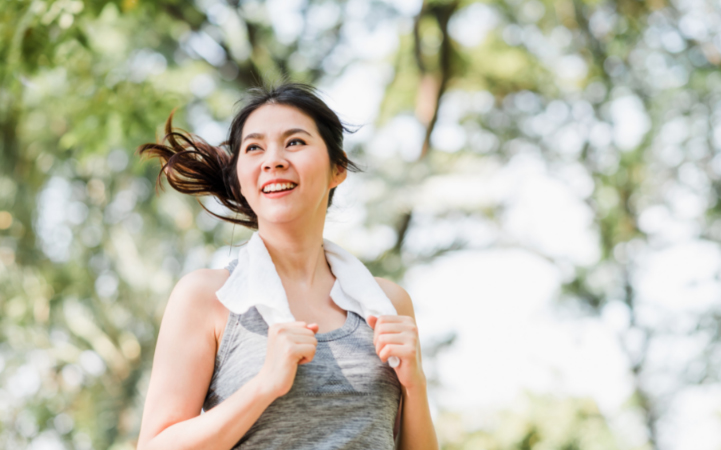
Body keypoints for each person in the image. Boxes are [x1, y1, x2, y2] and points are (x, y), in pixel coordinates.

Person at [134, 82, 438, 450]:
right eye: (254, 147)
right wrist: (264, 385)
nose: (273, 160)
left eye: (294, 142)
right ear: (239, 180)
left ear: (337, 168)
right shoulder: (208, 297)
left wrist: (415, 384)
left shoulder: (388, 304)